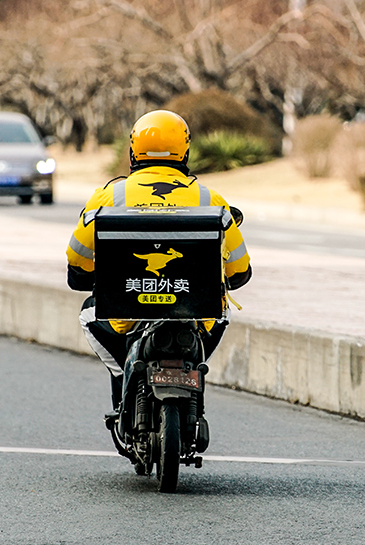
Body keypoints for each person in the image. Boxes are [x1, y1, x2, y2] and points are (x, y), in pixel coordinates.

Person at [65, 110, 252, 413]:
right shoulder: (210, 199)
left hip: (125, 315)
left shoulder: (109, 196)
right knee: (222, 313)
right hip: (193, 312)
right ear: (185, 151)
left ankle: (125, 374)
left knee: (88, 315)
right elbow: (239, 269)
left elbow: (77, 258)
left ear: (133, 151)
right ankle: (193, 369)